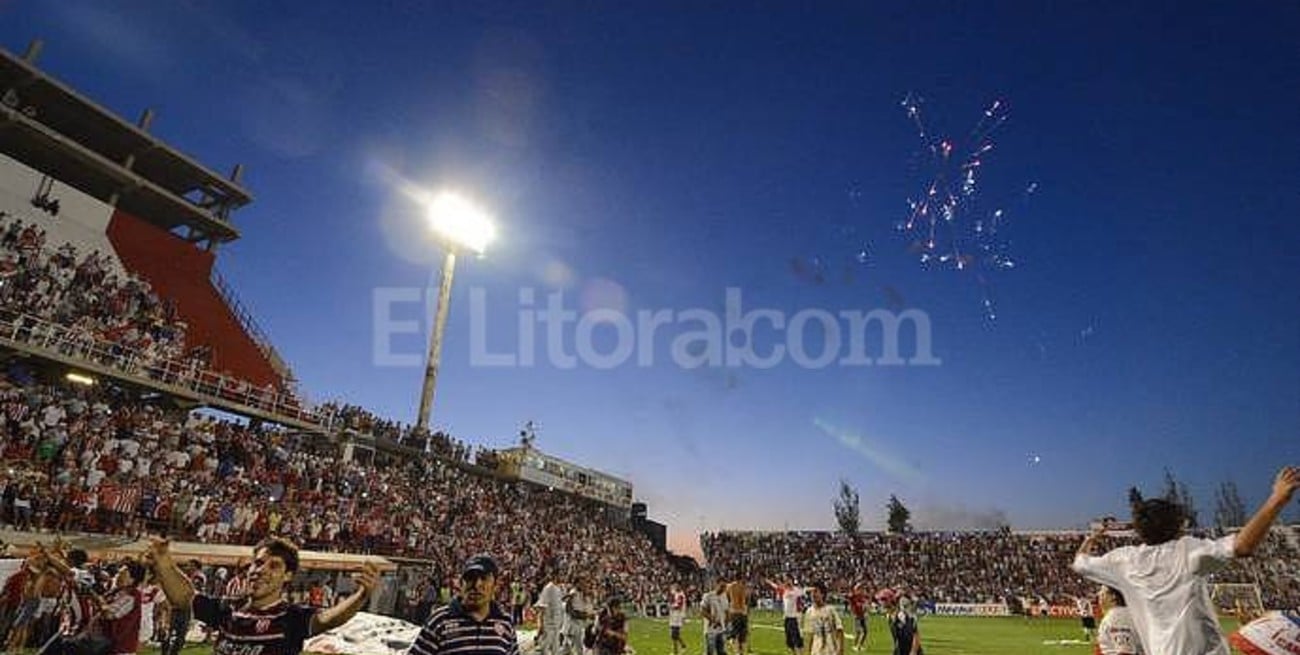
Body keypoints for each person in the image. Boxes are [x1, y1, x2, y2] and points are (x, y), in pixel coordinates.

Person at [1073, 467, 1300, 655]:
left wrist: (1092, 539)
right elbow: (1242, 546)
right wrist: (1277, 499)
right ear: (1178, 525)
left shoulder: (1123, 560)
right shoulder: (1187, 550)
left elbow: (1080, 563)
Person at [146, 536, 378, 655]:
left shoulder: (290, 617)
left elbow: (328, 618)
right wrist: (164, 562)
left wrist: (360, 595)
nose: (261, 570)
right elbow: (185, 598)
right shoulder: (230, 609)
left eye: (274, 566)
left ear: (288, 576)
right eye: (257, 563)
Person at [408, 555, 518, 655]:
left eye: (484, 578)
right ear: (461, 584)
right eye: (471, 578)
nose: (476, 585)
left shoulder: (505, 622)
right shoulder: (439, 621)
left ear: (496, 585)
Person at [1096, 586, 1142, 655]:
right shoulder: (1123, 614)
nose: (1099, 594)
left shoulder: (1118, 617)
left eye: (1103, 593)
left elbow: (1125, 652)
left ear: (1113, 597)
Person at [764, 578, 805, 655]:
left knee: (797, 638)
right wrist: (769, 582)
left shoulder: (796, 590)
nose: (787, 583)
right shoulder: (784, 590)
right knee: (789, 639)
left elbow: (804, 590)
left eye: (789, 581)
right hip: (786, 618)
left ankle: (800, 653)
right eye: (786, 581)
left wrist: (814, 588)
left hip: (794, 618)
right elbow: (775, 586)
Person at [801, 582, 843, 655]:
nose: (813, 594)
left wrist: (840, 650)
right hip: (816, 649)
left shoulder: (830, 610)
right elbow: (810, 634)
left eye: (816, 591)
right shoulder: (809, 612)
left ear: (822, 594)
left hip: (830, 649)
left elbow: (839, 630)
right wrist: (808, 651)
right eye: (811, 592)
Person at [534, 577, 566, 655]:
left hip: (557, 622)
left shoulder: (559, 588)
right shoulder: (548, 588)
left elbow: (559, 604)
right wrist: (541, 623)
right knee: (546, 644)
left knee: (556, 646)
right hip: (549, 622)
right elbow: (542, 606)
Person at [700, 581, 728, 655]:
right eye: (721, 586)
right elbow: (702, 611)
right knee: (710, 651)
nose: (723, 589)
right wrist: (712, 619)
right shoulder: (708, 596)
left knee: (721, 652)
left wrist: (726, 623)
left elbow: (726, 611)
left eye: (724, 587)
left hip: (721, 629)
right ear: (716, 585)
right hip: (710, 630)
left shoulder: (724, 597)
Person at [724, 578, 749, 655]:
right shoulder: (744, 587)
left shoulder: (729, 586)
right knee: (742, 635)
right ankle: (741, 652)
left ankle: (736, 651)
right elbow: (745, 600)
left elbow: (726, 597)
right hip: (743, 612)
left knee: (733, 634)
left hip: (734, 612)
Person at [847, 583, 869, 652]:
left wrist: (865, 609)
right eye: (860, 588)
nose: (861, 590)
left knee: (865, 632)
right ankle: (855, 646)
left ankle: (860, 646)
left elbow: (864, 606)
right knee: (858, 632)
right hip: (857, 616)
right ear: (856, 589)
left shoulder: (862, 597)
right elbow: (849, 597)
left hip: (862, 616)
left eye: (862, 589)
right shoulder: (853, 596)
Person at [667, 583, 688, 655]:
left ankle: (676, 651)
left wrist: (671, 606)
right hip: (674, 616)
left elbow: (678, 605)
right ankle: (682, 645)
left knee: (674, 634)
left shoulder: (681, 595)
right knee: (673, 634)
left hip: (678, 617)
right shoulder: (676, 595)